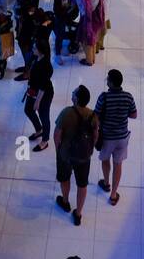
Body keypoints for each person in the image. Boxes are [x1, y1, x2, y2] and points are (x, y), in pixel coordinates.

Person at [54, 85, 100, 226]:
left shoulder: (66, 113)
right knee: (82, 184)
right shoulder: (92, 115)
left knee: (65, 178)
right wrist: (90, 149)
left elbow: (57, 135)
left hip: (66, 155)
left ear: (76, 98)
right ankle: (78, 213)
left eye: (74, 92)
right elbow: (95, 135)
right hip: (84, 157)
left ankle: (65, 201)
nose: (72, 93)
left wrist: (58, 150)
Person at [94, 69, 138, 206]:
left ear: (111, 83)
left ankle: (106, 183)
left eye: (108, 79)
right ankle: (113, 194)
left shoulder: (104, 97)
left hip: (107, 137)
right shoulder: (128, 97)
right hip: (122, 137)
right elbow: (134, 115)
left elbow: (95, 117)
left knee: (105, 159)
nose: (106, 80)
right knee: (118, 164)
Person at [23, 35, 54, 152]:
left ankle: (45, 140)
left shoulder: (46, 65)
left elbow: (43, 87)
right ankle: (39, 130)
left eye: (35, 48)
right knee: (28, 110)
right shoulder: (37, 58)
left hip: (43, 94)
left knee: (44, 115)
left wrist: (37, 102)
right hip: (33, 90)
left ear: (41, 51)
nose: (33, 49)